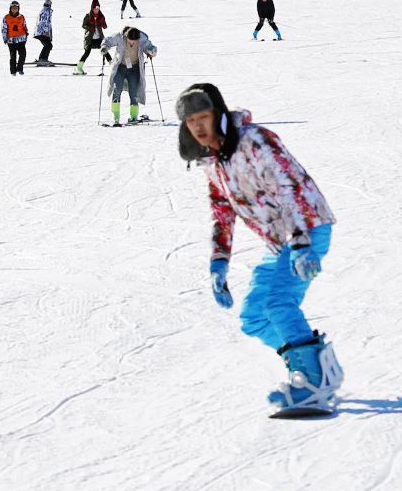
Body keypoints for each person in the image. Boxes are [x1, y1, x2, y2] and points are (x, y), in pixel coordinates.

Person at [176, 82, 343, 413]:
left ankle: (311, 380)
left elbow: (289, 188)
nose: (197, 126)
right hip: (280, 242)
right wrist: (218, 264)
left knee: (280, 303)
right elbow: (222, 214)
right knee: (254, 317)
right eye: (190, 120)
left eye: (203, 116)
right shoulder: (212, 161)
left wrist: (300, 244)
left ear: (218, 115)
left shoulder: (255, 141)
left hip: (306, 228)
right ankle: (318, 366)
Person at [105, 25, 156, 125]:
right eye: (129, 41)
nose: (131, 43)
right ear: (126, 36)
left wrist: (152, 51)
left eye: (134, 41)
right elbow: (108, 40)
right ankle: (115, 117)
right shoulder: (119, 37)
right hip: (120, 68)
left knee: (134, 93)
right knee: (117, 90)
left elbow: (149, 47)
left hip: (134, 69)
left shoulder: (142, 38)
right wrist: (104, 47)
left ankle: (134, 116)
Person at [76, 0, 108, 73]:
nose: (97, 10)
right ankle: (79, 67)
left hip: (99, 39)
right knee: (87, 52)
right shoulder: (88, 16)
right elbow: (83, 25)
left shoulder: (101, 16)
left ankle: (112, 65)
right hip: (90, 39)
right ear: (92, 8)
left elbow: (105, 27)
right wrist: (90, 27)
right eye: (95, 8)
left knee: (105, 50)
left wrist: (102, 22)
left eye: (98, 8)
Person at [1, 1, 29, 74]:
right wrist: (5, 38)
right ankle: (13, 71)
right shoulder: (6, 17)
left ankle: (20, 69)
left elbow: (24, 25)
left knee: (23, 54)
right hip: (11, 40)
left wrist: (26, 33)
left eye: (16, 8)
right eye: (13, 8)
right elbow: (4, 29)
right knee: (13, 56)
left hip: (21, 39)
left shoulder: (21, 16)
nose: (14, 9)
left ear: (18, 9)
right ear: (10, 9)